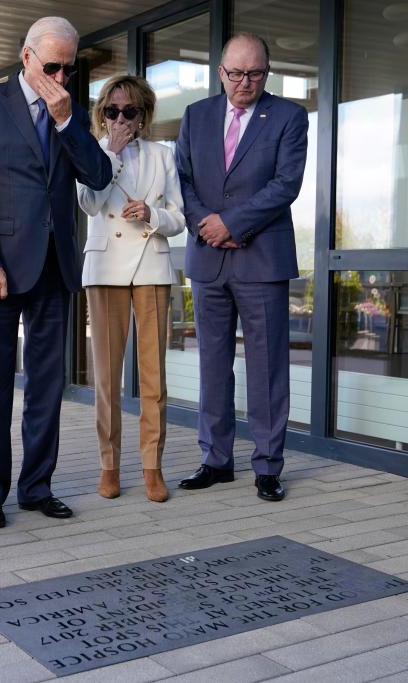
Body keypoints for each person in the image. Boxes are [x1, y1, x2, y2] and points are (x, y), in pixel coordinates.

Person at [0, 16, 111, 529]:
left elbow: (99, 175)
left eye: (69, 68)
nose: (61, 77)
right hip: (0, 268)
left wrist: (67, 123)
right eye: (52, 66)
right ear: (26, 59)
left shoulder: (71, 109)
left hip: (54, 268)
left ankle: (37, 487)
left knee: (47, 386)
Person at [175, 32, 307, 502]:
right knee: (213, 365)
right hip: (208, 260)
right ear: (220, 72)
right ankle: (216, 459)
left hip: (261, 259)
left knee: (267, 367)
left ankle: (268, 466)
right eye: (236, 73)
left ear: (266, 73)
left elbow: (285, 184)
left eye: (254, 73)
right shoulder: (195, 116)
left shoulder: (289, 116)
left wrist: (231, 223)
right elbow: (183, 180)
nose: (244, 82)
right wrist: (205, 225)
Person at [77, 75, 185, 503]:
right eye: (112, 111)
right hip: (104, 268)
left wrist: (153, 214)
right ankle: (109, 465)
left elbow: (180, 216)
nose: (120, 118)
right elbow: (88, 202)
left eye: (129, 111)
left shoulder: (164, 155)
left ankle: (152, 467)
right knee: (106, 377)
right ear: (102, 114)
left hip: (152, 268)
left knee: (153, 378)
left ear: (143, 116)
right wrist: (111, 154)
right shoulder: (93, 152)